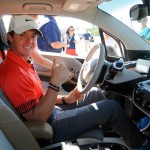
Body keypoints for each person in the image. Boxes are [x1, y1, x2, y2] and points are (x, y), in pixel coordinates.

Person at [0, 15, 149, 150]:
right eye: (22, 35)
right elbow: (38, 118)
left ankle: (120, 129)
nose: (29, 42)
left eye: (33, 36)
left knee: (95, 94)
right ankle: (142, 145)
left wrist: (65, 99)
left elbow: (37, 99)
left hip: (52, 113)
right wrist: (55, 83)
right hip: (51, 126)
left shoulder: (22, 63)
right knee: (111, 108)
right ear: (10, 37)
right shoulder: (12, 73)